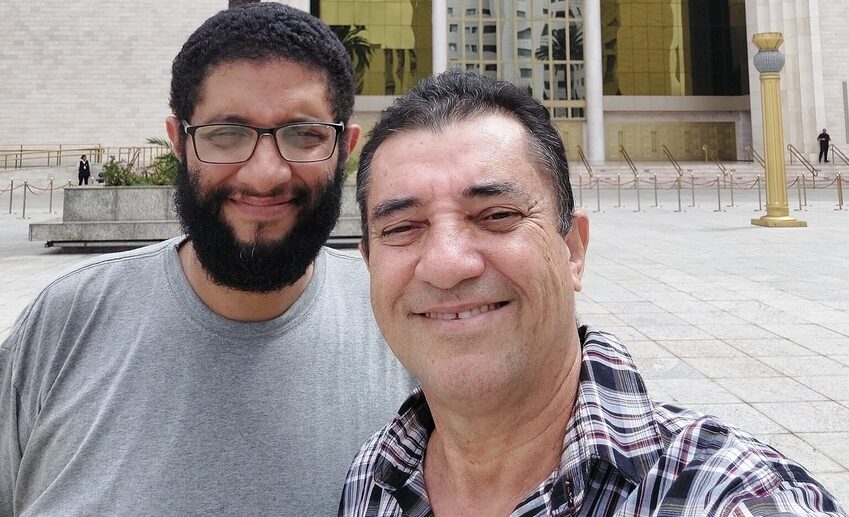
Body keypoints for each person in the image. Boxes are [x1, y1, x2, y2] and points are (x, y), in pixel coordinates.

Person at [340, 71, 846, 516]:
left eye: (497, 215)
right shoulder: (373, 479)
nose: (447, 264)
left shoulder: (733, 497)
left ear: (572, 251)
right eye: (402, 228)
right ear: (369, 264)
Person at [0, 4, 411, 516]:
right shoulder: (63, 324)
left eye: (304, 134)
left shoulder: (404, 325)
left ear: (344, 147)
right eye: (226, 134)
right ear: (179, 142)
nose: (264, 175)